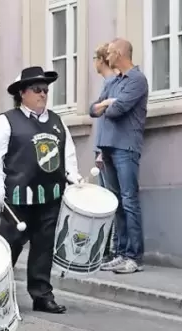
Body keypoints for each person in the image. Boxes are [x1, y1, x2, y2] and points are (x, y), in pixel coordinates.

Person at [0, 66, 83, 315]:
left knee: (43, 246)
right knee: (10, 245)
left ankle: (41, 295)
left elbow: (67, 154)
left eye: (46, 90)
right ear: (23, 93)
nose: (43, 94)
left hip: (50, 195)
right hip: (18, 196)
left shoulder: (57, 122)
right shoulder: (7, 121)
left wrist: (74, 179)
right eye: (37, 89)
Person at [91, 38, 148, 275]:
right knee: (117, 204)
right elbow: (93, 110)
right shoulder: (115, 82)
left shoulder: (136, 79)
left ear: (121, 53)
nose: (108, 56)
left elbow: (117, 110)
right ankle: (121, 253)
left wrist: (107, 105)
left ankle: (134, 256)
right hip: (109, 147)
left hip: (126, 147)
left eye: (112, 52)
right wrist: (106, 102)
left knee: (129, 201)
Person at [90, 42, 118, 263]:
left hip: (104, 149)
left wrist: (100, 151)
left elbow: (106, 120)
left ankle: (110, 249)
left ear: (100, 61)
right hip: (104, 148)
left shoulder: (110, 83)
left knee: (110, 198)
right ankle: (108, 249)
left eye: (95, 59)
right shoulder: (109, 84)